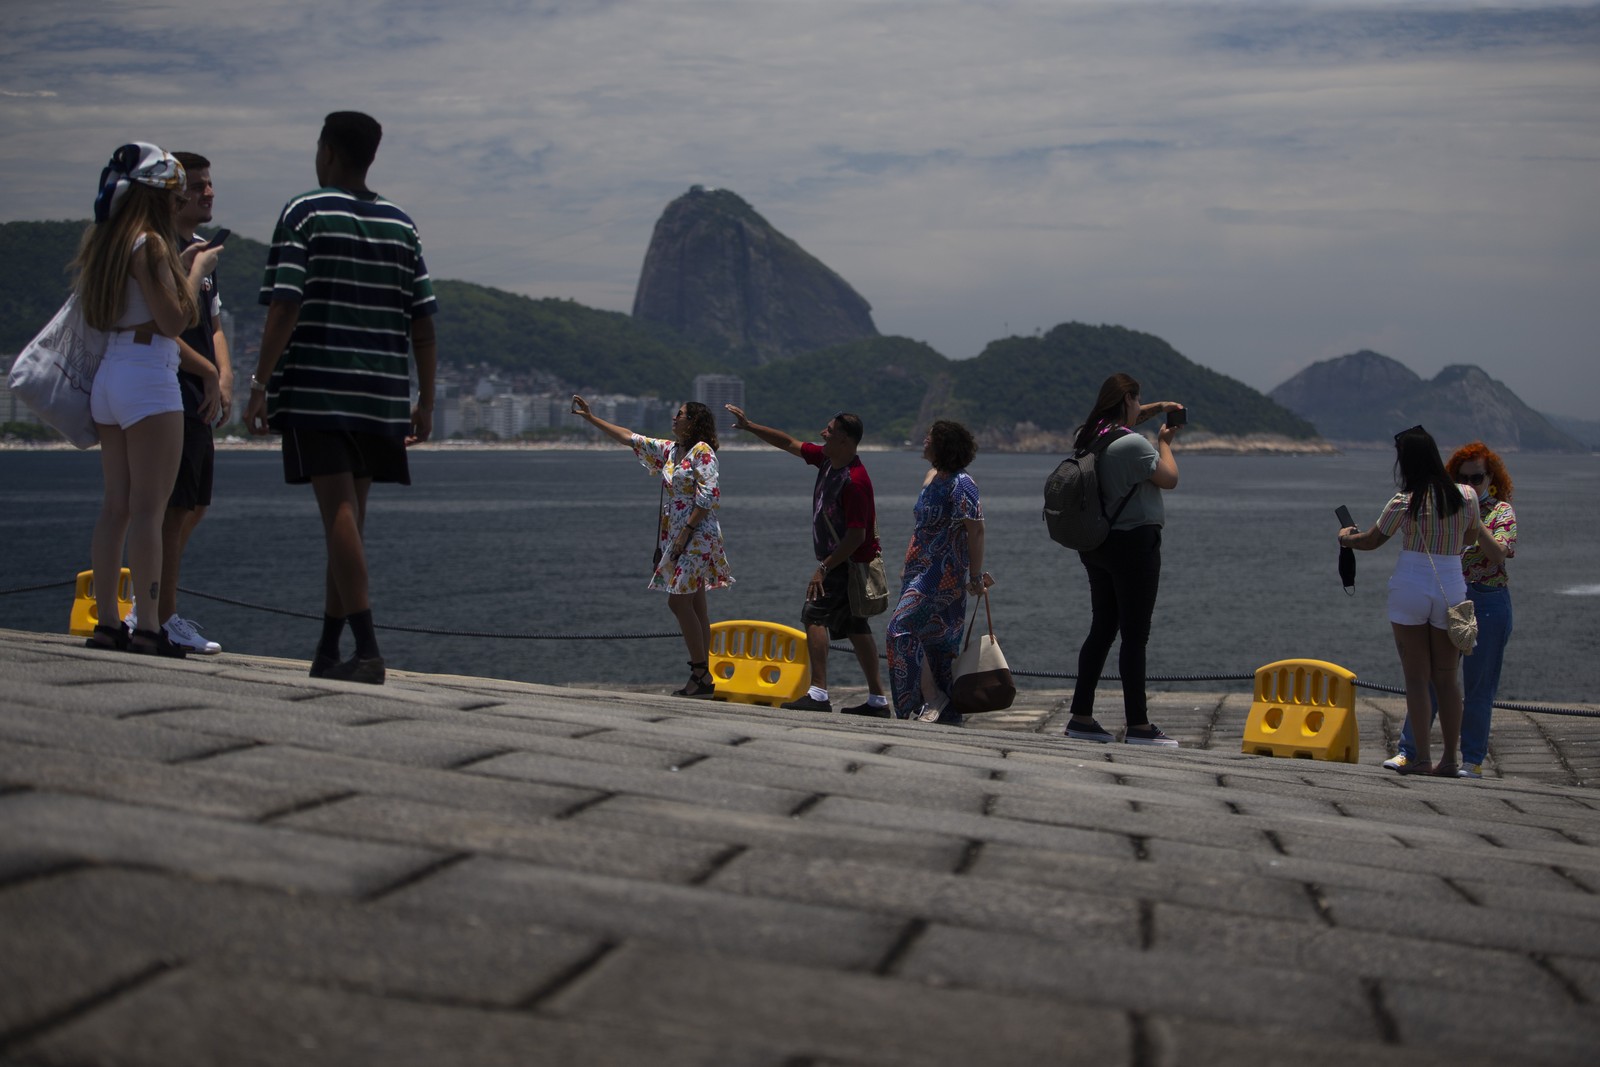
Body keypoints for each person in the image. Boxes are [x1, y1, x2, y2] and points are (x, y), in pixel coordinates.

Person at [245, 112, 438, 686]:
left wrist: (259, 384)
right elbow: (423, 323)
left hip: (318, 388)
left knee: (339, 516)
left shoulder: (304, 212)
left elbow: (284, 305)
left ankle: (368, 648)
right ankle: (330, 651)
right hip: (382, 394)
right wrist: (425, 399)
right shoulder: (402, 225)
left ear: (327, 151)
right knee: (348, 518)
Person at [76, 143, 221, 657]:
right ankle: (150, 626)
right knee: (149, 511)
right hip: (147, 376)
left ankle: (110, 623)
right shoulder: (150, 245)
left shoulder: (106, 242)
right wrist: (197, 270)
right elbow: (175, 320)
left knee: (114, 506)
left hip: (110, 375)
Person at [125, 151, 230, 655]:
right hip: (176, 385)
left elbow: (210, 322)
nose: (208, 193)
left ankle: (155, 608)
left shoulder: (201, 253)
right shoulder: (164, 250)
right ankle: (156, 615)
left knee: (195, 505)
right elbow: (166, 326)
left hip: (201, 391)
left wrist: (225, 374)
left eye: (211, 185)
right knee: (173, 508)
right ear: (175, 193)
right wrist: (207, 370)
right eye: (199, 186)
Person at [724, 405, 890, 715]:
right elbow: (789, 443)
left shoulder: (855, 482)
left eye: (829, 430)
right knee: (855, 626)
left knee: (814, 615)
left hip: (844, 563)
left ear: (845, 440)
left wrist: (823, 568)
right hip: (843, 562)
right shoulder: (829, 460)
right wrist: (750, 426)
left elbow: (856, 535)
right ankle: (878, 700)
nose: (822, 433)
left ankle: (818, 693)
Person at [1340, 425, 1482, 777]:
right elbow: (1469, 535)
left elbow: (1372, 540)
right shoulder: (1467, 495)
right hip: (1450, 584)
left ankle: (1420, 759)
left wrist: (1347, 539)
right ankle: (1450, 760)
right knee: (1447, 681)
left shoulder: (1404, 500)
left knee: (1417, 680)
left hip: (1411, 585)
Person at [573, 396, 733, 697]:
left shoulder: (703, 452)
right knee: (696, 605)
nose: (675, 418)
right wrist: (591, 418)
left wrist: (684, 534)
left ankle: (699, 673)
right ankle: (704, 675)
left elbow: (708, 496)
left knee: (678, 602)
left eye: (681, 414)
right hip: (678, 537)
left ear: (693, 421)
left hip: (697, 536)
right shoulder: (672, 451)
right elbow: (630, 438)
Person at [1062, 373, 1185, 747]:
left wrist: (1161, 407)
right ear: (1128, 399)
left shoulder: (1092, 436)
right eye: (1138, 400)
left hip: (1097, 543)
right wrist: (1165, 443)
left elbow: (1127, 420)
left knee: (1102, 629)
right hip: (1134, 544)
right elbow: (1169, 478)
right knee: (1135, 636)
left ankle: (1080, 717)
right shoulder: (1134, 445)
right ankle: (1139, 726)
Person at [1383, 441, 1516, 779]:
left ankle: (1470, 759)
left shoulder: (1501, 511)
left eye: (1478, 477)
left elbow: (1499, 554)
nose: (1470, 483)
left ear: (1493, 478)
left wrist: (1473, 513)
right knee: (1431, 678)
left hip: (1487, 601)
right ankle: (1408, 751)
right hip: (1453, 593)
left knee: (1478, 687)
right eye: (1462, 476)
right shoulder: (1447, 502)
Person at [886, 420, 992, 723]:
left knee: (900, 629)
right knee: (935, 644)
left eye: (929, 437)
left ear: (943, 445)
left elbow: (977, 531)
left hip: (943, 574)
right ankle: (944, 712)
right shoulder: (932, 477)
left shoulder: (963, 484)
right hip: (919, 571)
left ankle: (932, 698)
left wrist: (975, 575)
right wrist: (908, 567)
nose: (924, 441)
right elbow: (922, 528)